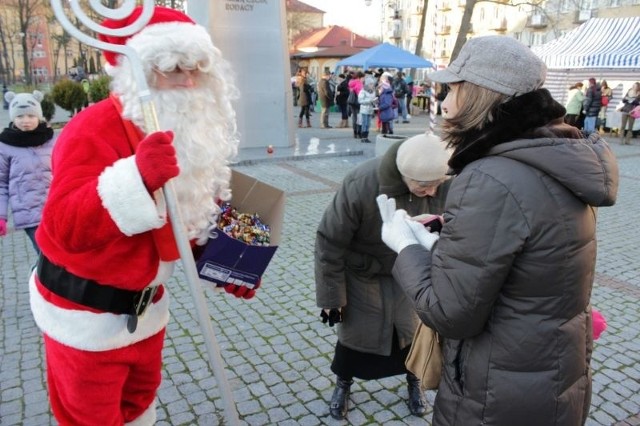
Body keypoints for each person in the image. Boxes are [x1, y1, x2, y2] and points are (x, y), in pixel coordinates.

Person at [377, 35, 619, 426]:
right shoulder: (551, 156)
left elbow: (451, 313)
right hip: (546, 375)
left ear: (476, 95)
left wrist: (406, 247)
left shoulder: (491, 177)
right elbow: (530, 245)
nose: (444, 102)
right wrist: (446, 233)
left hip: (497, 392)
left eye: (452, 89)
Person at [29, 7, 240, 424]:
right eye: (173, 68)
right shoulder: (92, 128)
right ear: (138, 72)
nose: (189, 81)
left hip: (146, 314)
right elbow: (62, 226)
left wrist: (232, 264)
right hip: (84, 320)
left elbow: (189, 214)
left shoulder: (187, 131)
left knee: (140, 411)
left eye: (196, 68)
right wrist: (135, 178)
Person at [316, 133, 452, 420]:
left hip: (412, 272)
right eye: (424, 186)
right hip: (362, 274)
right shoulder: (362, 182)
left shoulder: (444, 182)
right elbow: (329, 240)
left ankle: (414, 380)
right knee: (354, 339)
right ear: (404, 174)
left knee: (411, 335)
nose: (431, 193)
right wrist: (331, 297)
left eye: (437, 185)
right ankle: (344, 382)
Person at [0, 90, 55, 256]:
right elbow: (1, 183)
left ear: (38, 116)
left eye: (30, 116)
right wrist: (1, 215)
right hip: (29, 214)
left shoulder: (51, 140)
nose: (25, 121)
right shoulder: (5, 145)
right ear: (13, 118)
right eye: (20, 116)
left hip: (55, 209)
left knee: (62, 257)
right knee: (46, 257)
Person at [356, 76, 377, 143]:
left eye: (373, 84)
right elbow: (360, 101)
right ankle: (363, 137)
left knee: (368, 124)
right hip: (364, 110)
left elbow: (372, 100)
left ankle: (366, 137)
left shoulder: (373, 91)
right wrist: (370, 101)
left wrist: (375, 102)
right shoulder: (363, 91)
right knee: (364, 123)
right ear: (367, 84)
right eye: (371, 84)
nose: (372, 85)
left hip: (370, 109)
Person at [348, 71, 364, 139]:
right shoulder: (360, 84)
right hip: (358, 102)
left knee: (354, 117)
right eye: (363, 77)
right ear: (360, 77)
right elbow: (360, 94)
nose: (364, 79)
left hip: (352, 102)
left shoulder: (351, 83)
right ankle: (359, 132)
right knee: (359, 118)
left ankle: (354, 132)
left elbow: (350, 89)